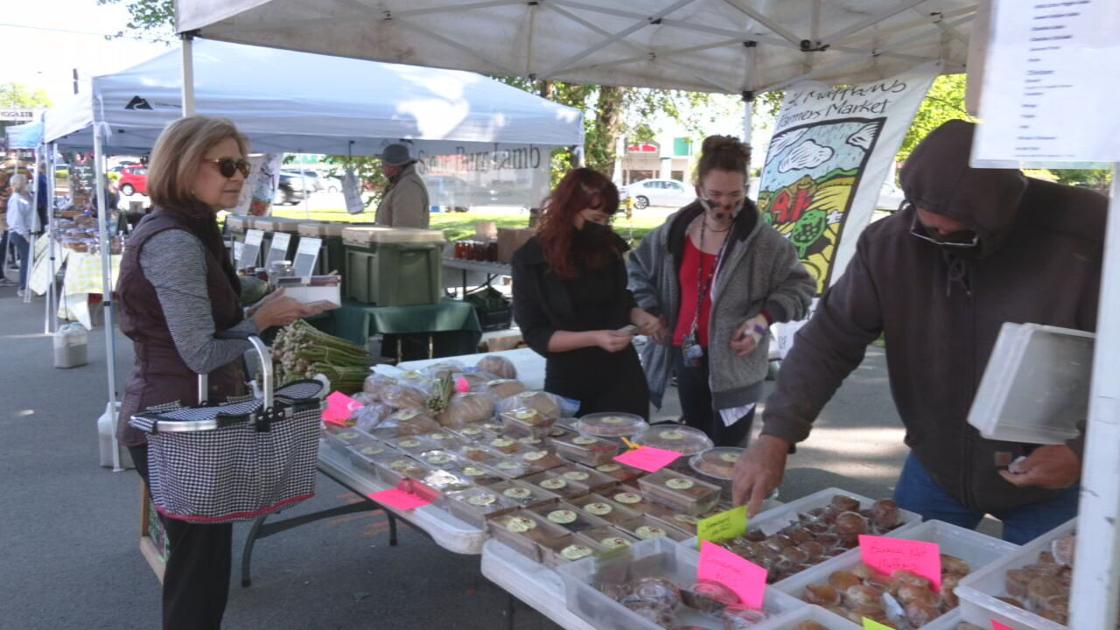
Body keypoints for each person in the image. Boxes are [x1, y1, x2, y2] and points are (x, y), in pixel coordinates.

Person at [731, 120, 1105, 544]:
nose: (933, 236)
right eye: (924, 224)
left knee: (1035, 606)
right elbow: (829, 339)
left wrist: (1084, 450)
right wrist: (776, 436)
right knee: (897, 590)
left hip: (1054, 477)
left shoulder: (1089, 233)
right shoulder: (891, 244)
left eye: (954, 232)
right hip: (937, 466)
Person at [115, 116, 334, 629]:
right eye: (226, 165)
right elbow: (200, 353)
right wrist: (264, 319)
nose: (239, 177)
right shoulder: (175, 241)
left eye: (244, 165)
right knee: (199, 567)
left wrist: (270, 302)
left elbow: (211, 315)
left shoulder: (191, 228)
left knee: (203, 560)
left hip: (186, 417)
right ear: (184, 165)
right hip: (178, 422)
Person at [628, 136, 814, 447]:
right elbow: (637, 267)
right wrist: (650, 309)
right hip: (684, 355)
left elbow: (802, 286)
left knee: (727, 454)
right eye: (714, 195)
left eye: (734, 195)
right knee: (692, 442)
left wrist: (760, 322)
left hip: (735, 365)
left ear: (746, 191)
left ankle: (732, 496)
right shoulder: (675, 230)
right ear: (698, 188)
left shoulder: (764, 243)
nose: (724, 205)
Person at [512, 168, 662, 418]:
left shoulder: (607, 247)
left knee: (631, 453)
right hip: (569, 380)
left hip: (621, 377)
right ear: (568, 209)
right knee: (573, 451)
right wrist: (594, 338)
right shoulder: (532, 260)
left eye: (606, 220)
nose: (601, 227)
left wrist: (638, 316)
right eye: (595, 219)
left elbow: (620, 300)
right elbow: (536, 333)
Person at [374, 143, 430, 228]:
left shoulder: (408, 187)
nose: (382, 168)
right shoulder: (402, 184)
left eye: (383, 164)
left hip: (400, 241)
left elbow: (406, 229)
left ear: (392, 167)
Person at [5, 174, 34, 297]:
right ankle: (23, 287)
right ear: (20, 184)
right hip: (20, 233)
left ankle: (27, 285)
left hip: (23, 232)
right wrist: (26, 236)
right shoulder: (17, 199)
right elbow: (17, 220)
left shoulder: (25, 196)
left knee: (28, 259)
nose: (28, 184)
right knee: (26, 260)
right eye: (26, 182)